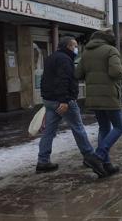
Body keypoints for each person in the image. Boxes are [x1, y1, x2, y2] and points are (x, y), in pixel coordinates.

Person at [37, 37, 107, 178]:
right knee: (78, 128)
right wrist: (64, 100)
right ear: (69, 46)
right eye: (75, 46)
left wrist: (47, 98)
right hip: (63, 100)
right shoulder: (64, 59)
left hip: (50, 100)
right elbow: (63, 80)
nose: (76, 49)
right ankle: (90, 157)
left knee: (49, 131)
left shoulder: (52, 57)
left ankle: (43, 161)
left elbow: (47, 79)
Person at [75, 29, 122, 176]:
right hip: (109, 95)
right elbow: (116, 72)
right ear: (109, 39)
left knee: (104, 128)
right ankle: (98, 156)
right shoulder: (111, 50)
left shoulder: (86, 52)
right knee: (119, 127)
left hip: (93, 97)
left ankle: (106, 164)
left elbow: (78, 74)